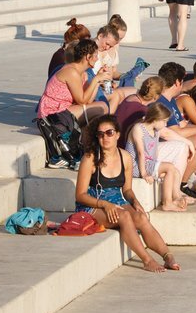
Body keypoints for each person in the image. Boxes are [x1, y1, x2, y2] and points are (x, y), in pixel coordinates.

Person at [74, 116, 179, 272]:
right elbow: (80, 195)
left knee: (141, 217)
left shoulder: (125, 157)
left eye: (109, 133)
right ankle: (147, 260)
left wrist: (134, 201)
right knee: (124, 216)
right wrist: (105, 204)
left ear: (117, 134)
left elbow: (127, 190)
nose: (105, 137)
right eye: (100, 134)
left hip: (116, 200)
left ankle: (167, 256)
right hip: (93, 204)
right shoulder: (90, 158)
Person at [127, 103, 196, 212]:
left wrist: (189, 143)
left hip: (148, 163)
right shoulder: (139, 129)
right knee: (169, 167)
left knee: (175, 172)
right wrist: (144, 173)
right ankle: (167, 203)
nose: (166, 124)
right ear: (156, 119)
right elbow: (140, 153)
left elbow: (168, 134)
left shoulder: (156, 129)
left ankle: (176, 197)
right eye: (164, 121)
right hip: (136, 165)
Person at [39, 39, 111, 128]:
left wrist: (98, 80)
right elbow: (81, 101)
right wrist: (96, 79)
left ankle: (91, 135)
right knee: (102, 107)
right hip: (52, 115)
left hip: (64, 110)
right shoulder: (71, 72)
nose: (97, 59)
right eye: (96, 55)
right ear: (88, 57)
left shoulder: (83, 74)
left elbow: (88, 101)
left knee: (101, 106)